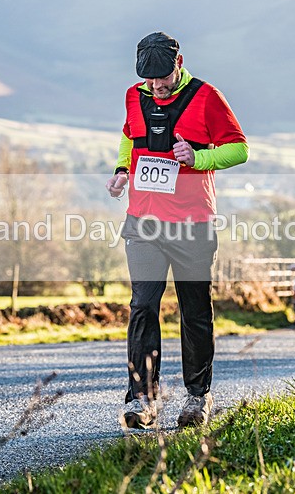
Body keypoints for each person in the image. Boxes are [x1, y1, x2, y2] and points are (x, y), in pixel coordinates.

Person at [105, 32, 248, 428]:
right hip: (144, 222)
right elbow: (128, 136)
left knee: (195, 311)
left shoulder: (207, 97)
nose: (157, 86)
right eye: (149, 80)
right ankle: (141, 399)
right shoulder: (136, 96)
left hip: (192, 225)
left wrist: (199, 158)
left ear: (179, 62)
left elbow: (239, 148)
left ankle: (197, 396)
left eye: (163, 78)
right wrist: (121, 170)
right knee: (142, 306)